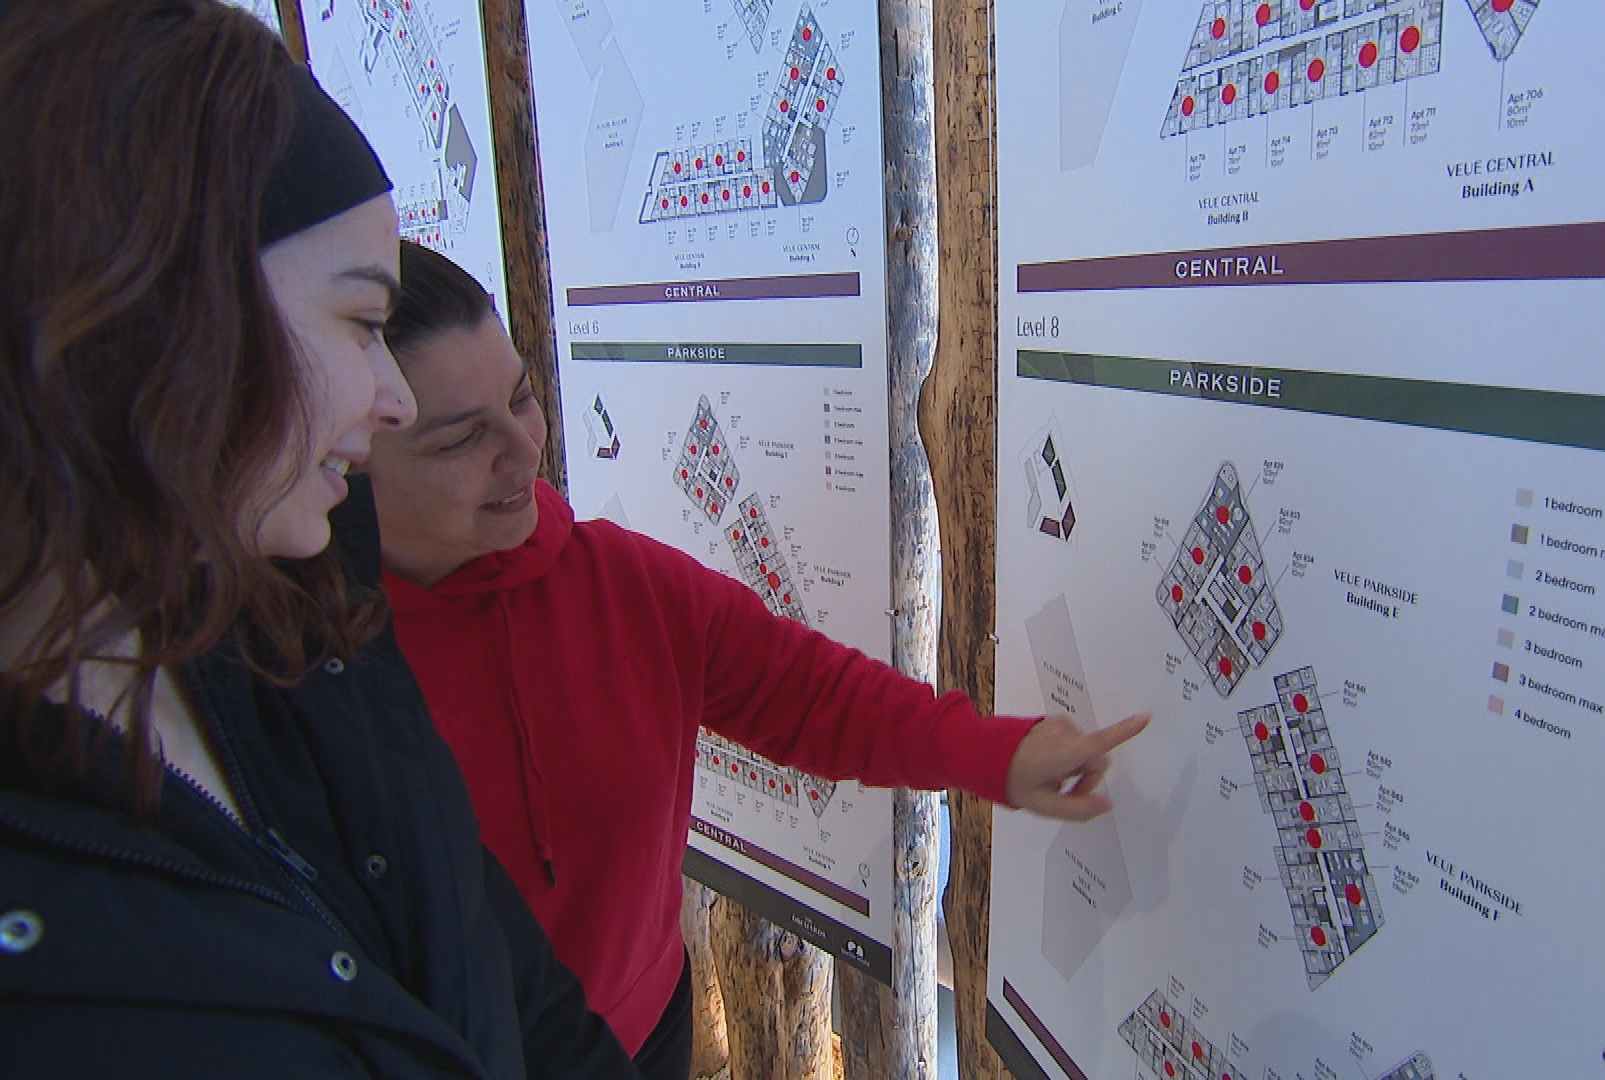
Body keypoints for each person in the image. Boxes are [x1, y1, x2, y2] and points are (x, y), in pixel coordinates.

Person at [0, 3, 634, 1075]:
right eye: (360, 323)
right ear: (154, 315)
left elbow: (495, 965)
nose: (392, 398)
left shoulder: (301, 610)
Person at [362, 241, 1150, 1078]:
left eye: (521, 398)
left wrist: (996, 753)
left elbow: (807, 694)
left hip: (644, 1039)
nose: (522, 450)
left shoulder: (621, 584)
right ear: (343, 453)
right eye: (460, 439)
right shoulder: (310, 681)